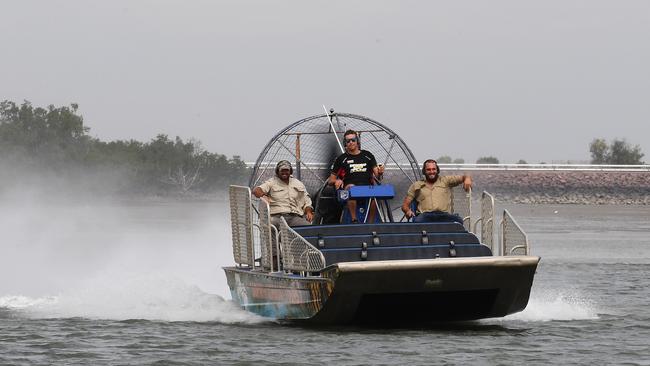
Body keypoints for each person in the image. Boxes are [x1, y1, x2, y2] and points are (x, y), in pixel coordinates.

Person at [328, 129, 384, 223]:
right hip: (350, 187)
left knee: (376, 193)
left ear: (357, 141)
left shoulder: (368, 155)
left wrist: (381, 172)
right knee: (351, 188)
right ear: (345, 143)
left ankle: (370, 223)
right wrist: (337, 181)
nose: (351, 142)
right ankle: (354, 219)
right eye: (348, 141)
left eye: (353, 140)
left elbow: (377, 176)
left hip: (368, 187)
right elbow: (330, 180)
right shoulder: (341, 159)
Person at [401, 159, 472, 224]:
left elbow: (465, 176)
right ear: (424, 171)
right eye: (428, 170)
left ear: (437, 170)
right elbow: (405, 205)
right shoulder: (416, 185)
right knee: (417, 222)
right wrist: (407, 211)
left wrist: (467, 179)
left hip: (444, 215)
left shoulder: (445, 180)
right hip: (425, 216)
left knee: (458, 221)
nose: (431, 172)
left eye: (433, 169)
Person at [253, 160, 313, 228]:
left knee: (308, 227)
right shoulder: (271, 182)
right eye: (282, 170)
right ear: (278, 171)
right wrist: (263, 196)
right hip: (276, 217)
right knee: (270, 226)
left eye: (287, 170)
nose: (284, 172)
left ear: (290, 171)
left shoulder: (298, 184)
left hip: (295, 217)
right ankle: (275, 239)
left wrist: (308, 212)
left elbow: (307, 201)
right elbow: (256, 191)